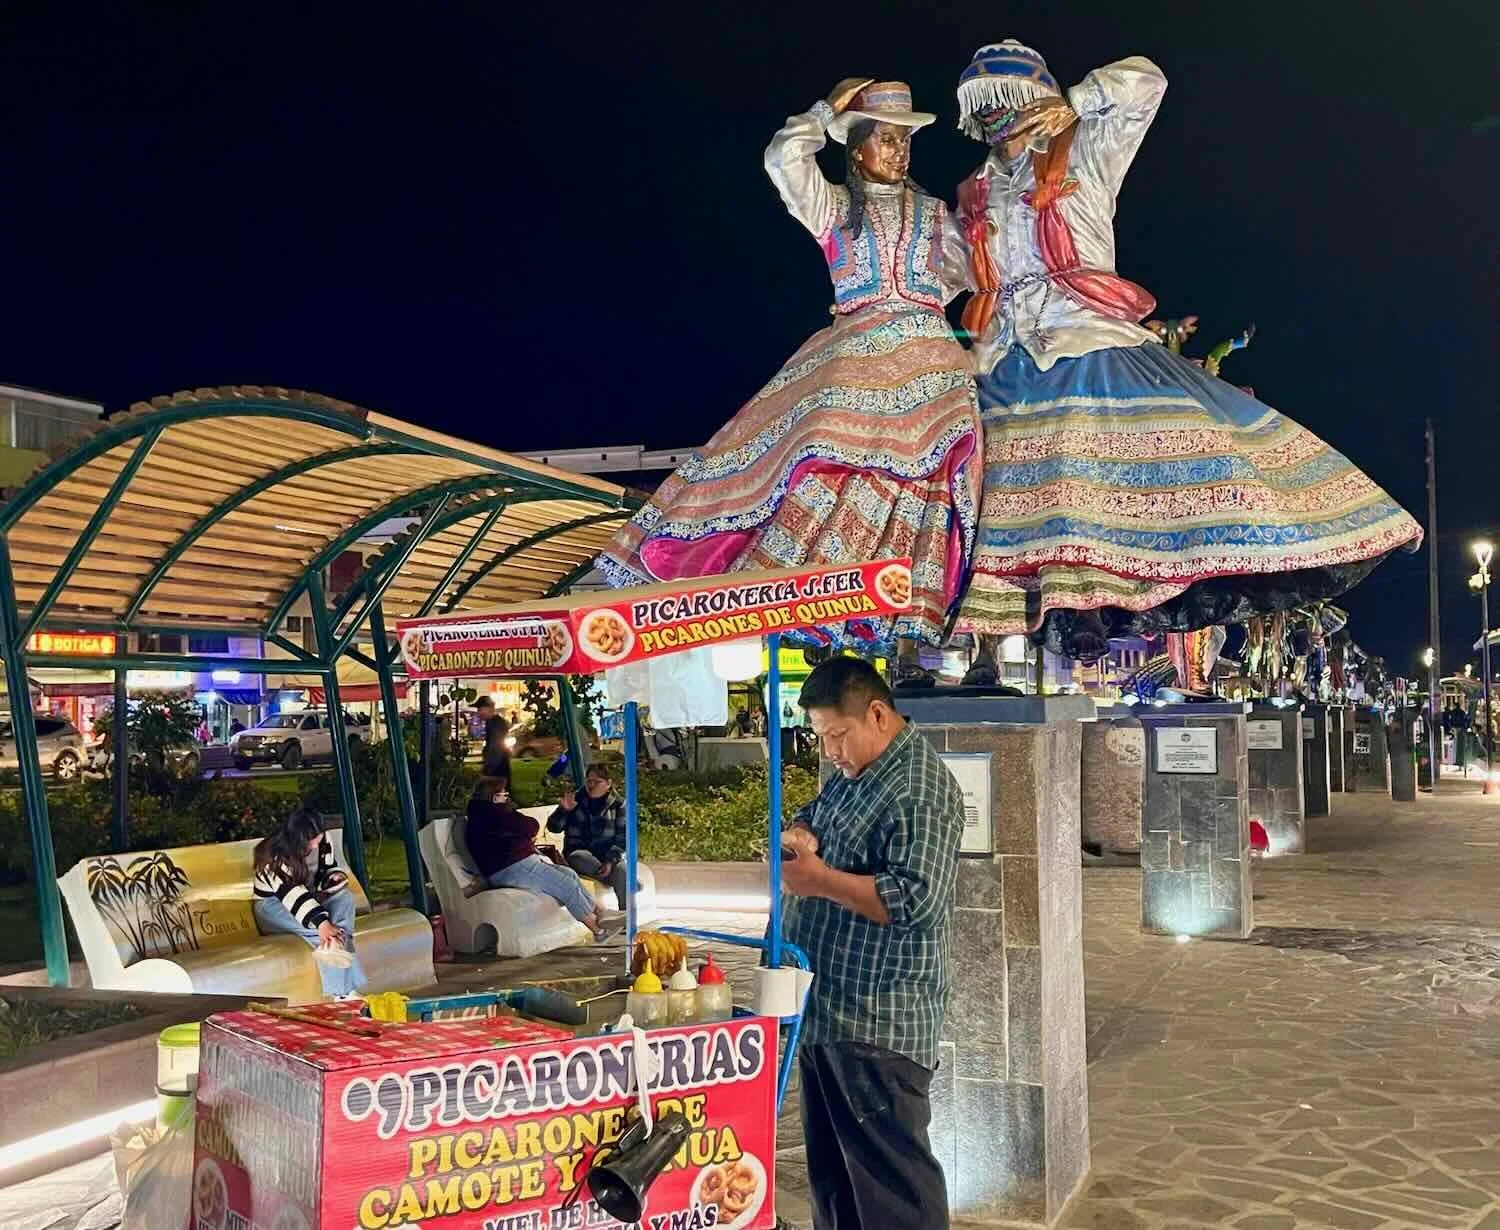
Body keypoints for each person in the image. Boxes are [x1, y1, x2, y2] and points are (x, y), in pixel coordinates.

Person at [946, 41, 1422, 664]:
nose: (999, 122)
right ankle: (992, 650)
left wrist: (1077, 103)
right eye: (986, 111)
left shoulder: (1085, 148)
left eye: (1011, 106)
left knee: (1105, 487)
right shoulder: (974, 194)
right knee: (995, 507)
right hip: (1003, 356)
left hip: (1087, 338)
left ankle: (1101, 608)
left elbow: (1147, 81)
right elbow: (946, 267)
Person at [596, 79, 982, 665]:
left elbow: (973, 275)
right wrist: (825, 110)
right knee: (821, 446)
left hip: (931, 353)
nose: (899, 150)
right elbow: (782, 158)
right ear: (855, 147)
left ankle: (908, 615)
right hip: (855, 346)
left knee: (932, 480)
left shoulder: (935, 214)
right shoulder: (835, 207)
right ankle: (820, 594)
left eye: (906, 139)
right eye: (886, 138)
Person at [779, 656, 962, 1229]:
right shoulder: (857, 773)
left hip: (878, 1023)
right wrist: (802, 832)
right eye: (821, 738)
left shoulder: (917, 788)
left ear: (877, 714)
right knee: (836, 1186)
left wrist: (817, 881)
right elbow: (819, 810)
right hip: (827, 1012)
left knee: (892, 1190)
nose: (831, 751)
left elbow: (915, 900)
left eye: (837, 735)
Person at [466, 778, 609, 938]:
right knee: (567, 885)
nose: (507, 797)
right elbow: (530, 826)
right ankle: (599, 930)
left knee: (569, 874)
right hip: (512, 867)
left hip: (516, 865)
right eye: (503, 794)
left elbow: (526, 828)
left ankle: (601, 913)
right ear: (493, 797)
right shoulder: (494, 814)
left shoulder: (483, 815)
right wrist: (511, 815)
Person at [252, 808, 366, 998]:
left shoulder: (323, 840)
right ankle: (343, 993)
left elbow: (328, 868)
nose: (315, 844)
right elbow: (293, 895)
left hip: (311, 899)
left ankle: (342, 976)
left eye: (318, 836)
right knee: (321, 932)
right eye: (310, 839)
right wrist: (323, 924)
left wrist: (334, 877)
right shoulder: (274, 855)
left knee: (344, 901)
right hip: (273, 907)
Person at [547, 764, 631, 908]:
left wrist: (610, 861)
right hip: (578, 852)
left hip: (607, 854)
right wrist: (563, 810)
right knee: (581, 858)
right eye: (589, 781)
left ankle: (626, 916)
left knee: (622, 870)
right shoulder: (575, 800)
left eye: (597, 782)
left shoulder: (618, 804)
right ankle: (613, 879)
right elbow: (554, 828)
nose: (591, 786)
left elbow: (623, 838)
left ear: (608, 783)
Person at [473, 695, 511, 781]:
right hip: (498, 770)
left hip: (497, 772)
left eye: (480, 709)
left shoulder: (496, 724)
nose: (478, 713)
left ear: (489, 709)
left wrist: (488, 771)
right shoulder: (492, 723)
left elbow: (495, 748)